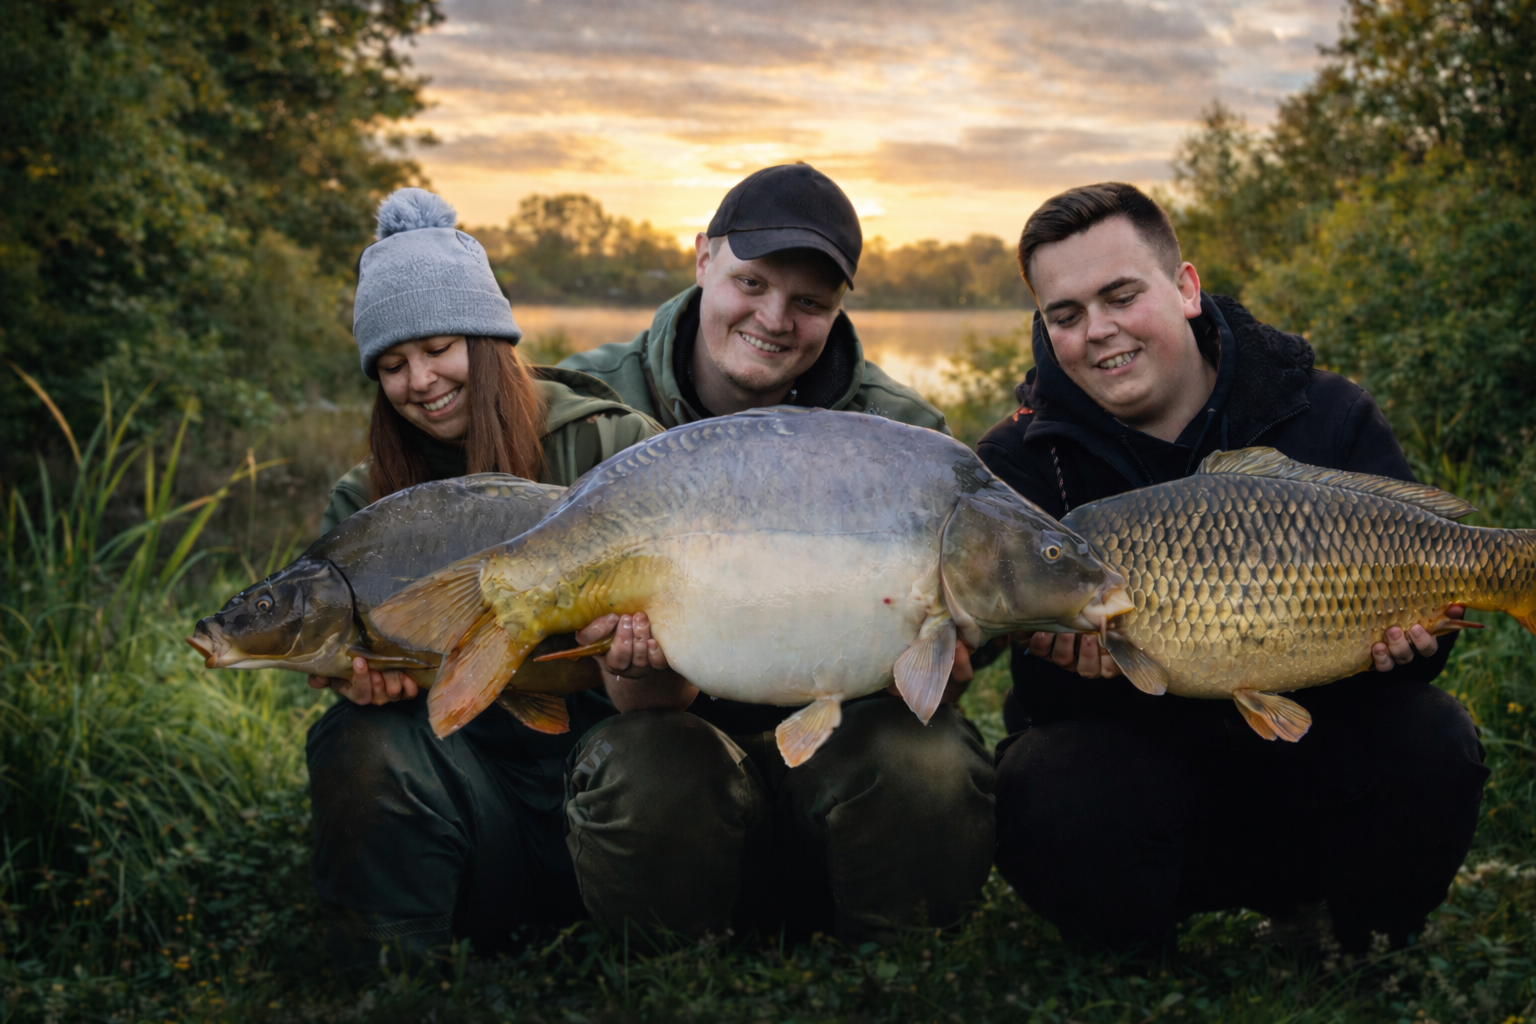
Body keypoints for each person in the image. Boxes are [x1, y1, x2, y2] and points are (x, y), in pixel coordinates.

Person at [975, 182, 1489, 952]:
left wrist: (1417, 646)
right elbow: (1019, 665)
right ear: (1045, 327)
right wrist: (1063, 659)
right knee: (1045, 781)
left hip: (1309, 754)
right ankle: (1134, 951)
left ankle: (1360, 933)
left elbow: (1422, 648)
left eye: (1121, 295)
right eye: (1066, 315)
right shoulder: (1018, 461)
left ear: (1185, 288)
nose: (1099, 332)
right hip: (1139, 773)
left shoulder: (1326, 413)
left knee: (1432, 737)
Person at [554, 164, 997, 941]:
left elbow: (957, 642)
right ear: (701, 260)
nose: (774, 317)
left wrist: (939, 672)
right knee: (650, 760)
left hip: (833, 744)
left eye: (809, 303)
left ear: (837, 310)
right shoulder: (589, 402)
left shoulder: (908, 438)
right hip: (659, 744)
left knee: (926, 752)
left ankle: (888, 948)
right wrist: (616, 662)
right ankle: (670, 950)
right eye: (751, 283)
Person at [303, 188, 662, 975]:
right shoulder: (360, 501)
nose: (419, 381)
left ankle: (653, 964)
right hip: (468, 792)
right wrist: (353, 683)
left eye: (437, 348)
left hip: (610, 784)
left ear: (489, 339)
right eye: (391, 365)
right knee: (357, 738)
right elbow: (324, 643)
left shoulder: (615, 445)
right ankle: (390, 975)